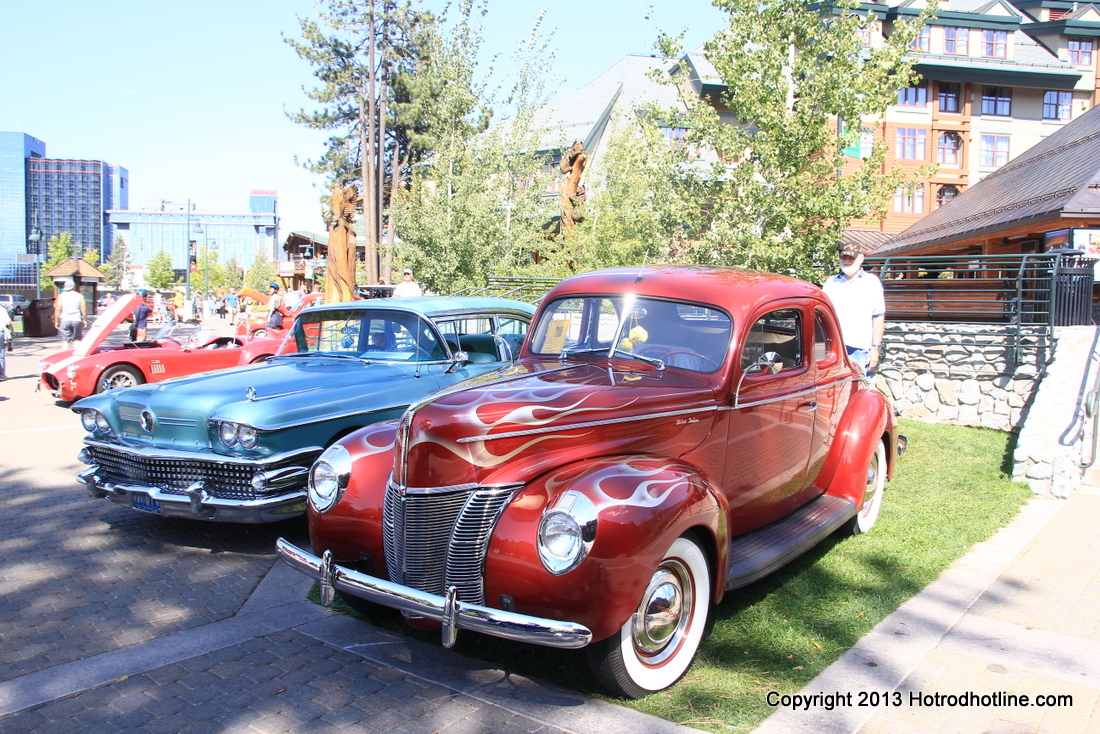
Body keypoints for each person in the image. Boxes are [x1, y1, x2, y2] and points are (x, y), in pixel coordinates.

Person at [822, 242, 886, 376]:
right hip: (833, 347)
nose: (846, 261)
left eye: (851, 258)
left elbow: (878, 316)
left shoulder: (871, 282)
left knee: (858, 388)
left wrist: (875, 348)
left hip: (860, 349)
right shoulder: (830, 282)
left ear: (861, 259)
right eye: (844, 257)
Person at [54, 280, 88, 350]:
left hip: (65, 319)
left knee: (65, 340)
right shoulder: (79, 296)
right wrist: (84, 319)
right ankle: (77, 357)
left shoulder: (62, 296)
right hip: (76, 319)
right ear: (74, 286)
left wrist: (56, 321)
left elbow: (58, 309)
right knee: (77, 339)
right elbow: (83, 309)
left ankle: (65, 357)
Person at [0, 302, 11, 380]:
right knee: (1, 354)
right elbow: (8, 322)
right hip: (0, 332)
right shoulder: (2, 309)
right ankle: (2, 375)